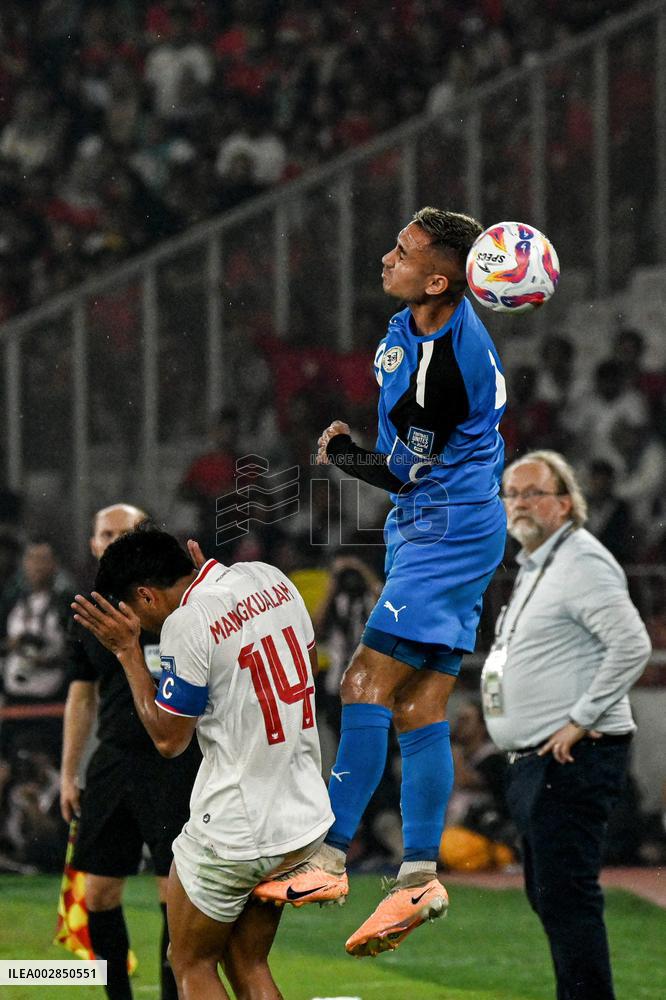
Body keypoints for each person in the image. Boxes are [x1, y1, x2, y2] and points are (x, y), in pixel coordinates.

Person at [257, 207, 507, 957]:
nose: (385, 257)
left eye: (402, 251)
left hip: (447, 529)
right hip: (442, 524)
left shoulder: (445, 365)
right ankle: (420, 875)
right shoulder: (414, 325)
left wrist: (348, 457)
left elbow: (403, 472)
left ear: (439, 278)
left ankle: (327, 857)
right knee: (422, 701)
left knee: (364, 680)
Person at [71, 528, 337, 1000]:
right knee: (248, 963)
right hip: (301, 815)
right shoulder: (269, 577)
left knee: (189, 961)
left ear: (146, 594)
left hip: (237, 828)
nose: (139, 624)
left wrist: (129, 653)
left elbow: (169, 739)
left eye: (135, 612)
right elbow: (304, 658)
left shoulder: (185, 624)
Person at [482, 450, 650, 1000]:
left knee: (566, 895)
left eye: (534, 492)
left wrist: (578, 720)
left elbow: (631, 644)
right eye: (512, 493)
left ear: (565, 502)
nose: (520, 503)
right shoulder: (539, 564)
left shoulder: (580, 559)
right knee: (552, 894)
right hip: (541, 759)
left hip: (573, 755)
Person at [60, 505, 201, 1000]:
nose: (112, 539)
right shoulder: (85, 613)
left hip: (175, 761)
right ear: (93, 544)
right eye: (104, 533)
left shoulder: (174, 605)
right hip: (114, 759)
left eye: (125, 533)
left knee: (174, 897)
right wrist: (68, 771)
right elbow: (82, 693)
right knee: (97, 894)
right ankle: (116, 995)